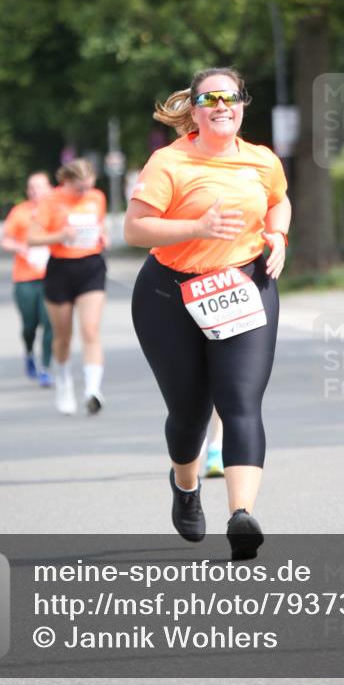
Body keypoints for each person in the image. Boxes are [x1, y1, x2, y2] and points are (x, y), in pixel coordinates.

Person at [125, 67, 291, 561]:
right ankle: (185, 484)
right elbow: (136, 230)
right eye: (210, 98)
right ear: (194, 110)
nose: (222, 105)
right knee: (189, 412)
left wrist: (278, 235)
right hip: (169, 295)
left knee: (240, 402)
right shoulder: (168, 161)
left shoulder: (262, 161)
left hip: (244, 287)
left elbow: (280, 202)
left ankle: (241, 515)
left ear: (243, 103)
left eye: (231, 96)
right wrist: (196, 226)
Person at [28, 159, 108, 416]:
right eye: (79, 188)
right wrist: (60, 236)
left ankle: (92, 390)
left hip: (91, 267)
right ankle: (63, 380)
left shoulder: (97, 197)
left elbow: (100, 224)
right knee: (63, 336)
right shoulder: (51, 200)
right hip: (60, 269)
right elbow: (31, 238)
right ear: (67, 181)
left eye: (88, 186)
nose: (84, 192)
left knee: (90, 329)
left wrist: (102, 235)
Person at [0, 172, 54, 386]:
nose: (35, 191)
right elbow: (5, 240)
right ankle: (29, 353)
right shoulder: (19, 212)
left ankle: (46, 367)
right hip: (25, 277)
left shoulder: (55, 210)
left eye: (39, 187)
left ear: (49, 188)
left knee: (49, 322)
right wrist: (21, 247)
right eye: (31, 187)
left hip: (51, 276)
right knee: (29, 324)